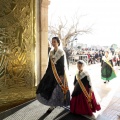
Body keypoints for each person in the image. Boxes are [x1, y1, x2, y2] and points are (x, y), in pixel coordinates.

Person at [36, 37, 70, 113]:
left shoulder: (61, 52)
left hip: (59, 74)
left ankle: (58, 104)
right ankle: (53, 104)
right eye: (52, 42)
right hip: (51, 73)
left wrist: (61, 75)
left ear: (58, 42)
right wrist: (47, 73)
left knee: (58, 90)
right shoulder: (51, 52)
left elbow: (62, 64)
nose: (53, 43)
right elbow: (49, 64)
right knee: (50, 88)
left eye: (54, 41)